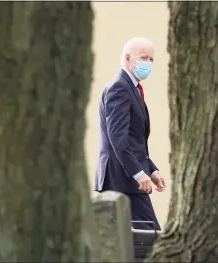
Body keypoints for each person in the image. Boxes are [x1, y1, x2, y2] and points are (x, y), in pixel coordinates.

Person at [94, 37, 166, 230]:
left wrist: (151, 170)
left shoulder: (132, 88)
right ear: (128, 58)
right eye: (144, 57)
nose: (149, 63)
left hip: (129, 180)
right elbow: (118, 138)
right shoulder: (120, 88)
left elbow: (134, 140)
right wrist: (139, 173)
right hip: (121, 180)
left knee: (133, 242)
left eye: (151, 59)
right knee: (150, 239)